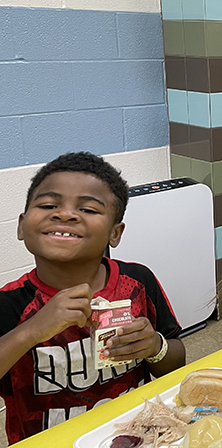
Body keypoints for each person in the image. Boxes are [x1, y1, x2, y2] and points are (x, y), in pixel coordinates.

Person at [0, 152, 185, 443]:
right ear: (22, 225)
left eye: (88, 209)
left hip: (132, 436)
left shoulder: (138, 282)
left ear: (115, 233)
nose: (65, 214)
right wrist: (32, 330)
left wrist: (154, 347)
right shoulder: (9, 302)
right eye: (48, 204)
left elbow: (176, 361)